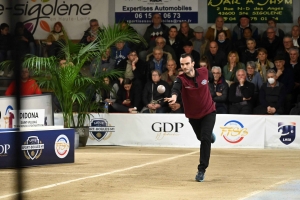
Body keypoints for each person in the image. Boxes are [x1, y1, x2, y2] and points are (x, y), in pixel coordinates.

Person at [165, 53, 216, 182]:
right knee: (202, 137)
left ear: (193, 63)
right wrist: (174, 97)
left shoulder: (204, 72)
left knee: (204, 139)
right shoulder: (180, 79)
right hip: (193, 115)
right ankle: (210, 136)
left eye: (187, 63)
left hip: (209, 111)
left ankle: (201, 170)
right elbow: (175, 89)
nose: (185, 66)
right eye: (182, 64)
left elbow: (210, 81)